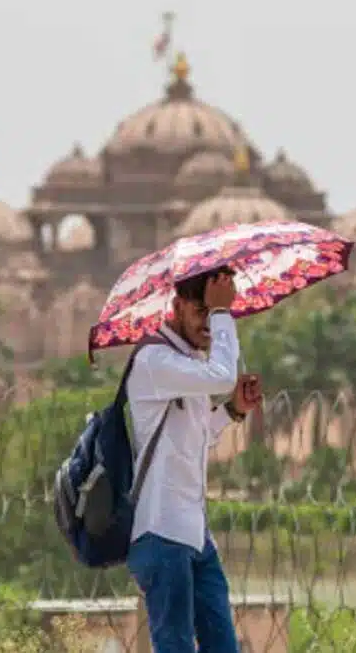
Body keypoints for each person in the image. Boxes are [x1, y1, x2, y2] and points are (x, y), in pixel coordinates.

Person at [126, 266, 263, 653]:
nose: (208, 323)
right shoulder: (154, 360)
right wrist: (223, 313)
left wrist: (233, 411)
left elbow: (196, 439)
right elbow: (222, 376)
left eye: (214, 312)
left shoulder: (188, 364)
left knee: (223, 646)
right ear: (177, 306)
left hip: (194, 534)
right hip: (161, 533)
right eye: (201, 311)